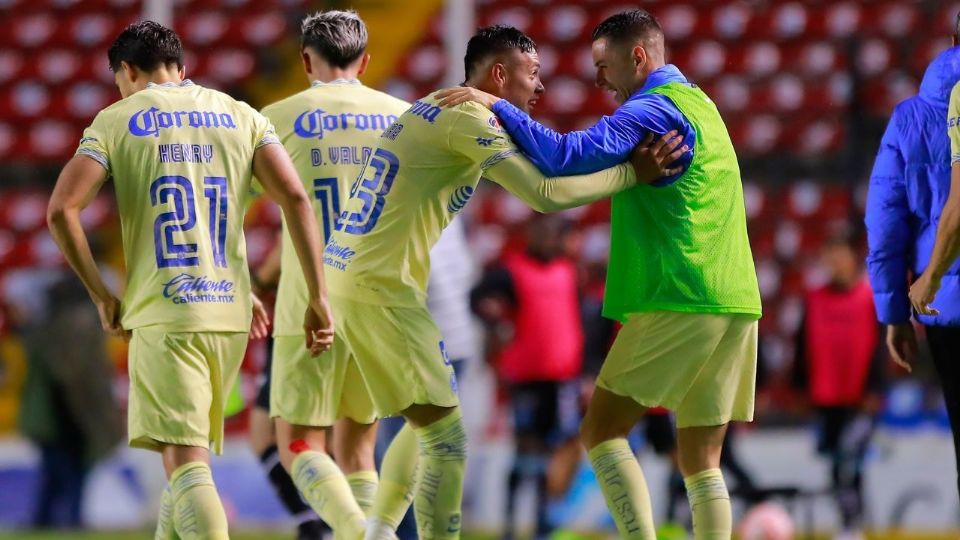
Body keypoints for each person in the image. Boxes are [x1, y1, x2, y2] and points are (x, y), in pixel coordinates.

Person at [322, 24, 686, 540]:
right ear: (499, 74)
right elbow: (544, 193)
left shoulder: (440, 108)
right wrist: (633, 174)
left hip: (355, 275)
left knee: (427, 419)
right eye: (532, 74)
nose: (539, 88)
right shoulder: (467, 117)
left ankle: (377, 533)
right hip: (377, 285)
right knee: (446, 437)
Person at [438, 9, 761, 538]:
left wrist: (495, 104)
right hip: (736, 298)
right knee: (702, 461)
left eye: (604, 65)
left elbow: (562, 158)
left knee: (602, 431)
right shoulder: (702, 104)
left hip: (679, 294)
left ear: (638, 57)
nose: (599, 80)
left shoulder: (651, 110)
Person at [46, 21, 333, 540]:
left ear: (127, 72)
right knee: (179, 462)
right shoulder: (242, 115)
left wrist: (102, 296)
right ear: (181, 67)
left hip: (166, 310)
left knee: (186, 464)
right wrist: (316, 297)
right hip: (230, 316)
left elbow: (62, 210)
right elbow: (295, 199)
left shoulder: (117, 120)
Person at [245, 11, 411, 539]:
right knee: (360, 447)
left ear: (304, 60)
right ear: (366, 61)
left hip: (307, 303)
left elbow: (233, 207)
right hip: (379, 302)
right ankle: (370, 529)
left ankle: (358, 531)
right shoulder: (402, 118)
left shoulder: (275, 117)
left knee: (297, 443)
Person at [865, 22, 960, 501]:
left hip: (946, 304)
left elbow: (884, 225)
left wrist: (894, 314)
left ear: (951, 43)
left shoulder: (909, 119)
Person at [470, 214, 583, 540]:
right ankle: (511, 524)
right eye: (542, 232)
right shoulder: (512, 271)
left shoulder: (568, 271)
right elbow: (477, 298)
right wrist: (493, 322)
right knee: (526, 454)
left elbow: (581, 322)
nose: (549, 239)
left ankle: (544, 523)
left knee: (560, 450)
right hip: (526, 377)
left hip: (563, 377)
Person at [375, 215, 479, 540]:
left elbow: (410, 286)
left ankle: (399, 532)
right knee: (437, 445)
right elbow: (463, 274)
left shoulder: (413, 215)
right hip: (457, 342)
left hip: (424, 345)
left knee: (404, 445)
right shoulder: (452, 212)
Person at [793, 230, 884, 539]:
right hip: (826, 397)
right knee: (834, 461)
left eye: (839, 255)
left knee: (851, 455)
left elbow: (881, 348)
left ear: (852, 259)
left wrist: (875, 390)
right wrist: (801, 389)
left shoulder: (868, 298)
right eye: (829, 256)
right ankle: (849, 522)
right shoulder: (814, 299)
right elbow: (802, 346)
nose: (834, 263)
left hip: (860, 399)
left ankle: (852, 524)